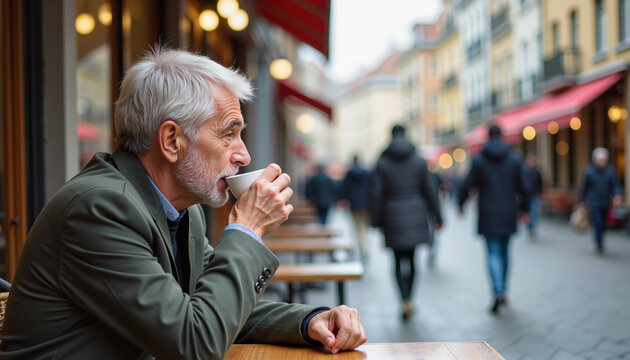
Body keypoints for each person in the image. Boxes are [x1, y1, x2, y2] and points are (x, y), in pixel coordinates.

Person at [0, 48, 365, 359]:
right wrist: (247, 230)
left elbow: (214, 306)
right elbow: (195, 344)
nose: (244, 154)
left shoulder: (182, 209)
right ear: (172, 140)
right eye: (229, 133)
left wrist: (308, 321)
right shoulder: (97, 209)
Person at [369, 124, 443, 321]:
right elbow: (430, 190)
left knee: (396, 261)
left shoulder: (383, 162)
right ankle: (410, 298)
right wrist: (438, 216)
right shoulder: (418, 160)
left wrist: (376, 221)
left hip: (391, 216)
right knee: (412, 260)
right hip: (416, 215)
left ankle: (402, 300)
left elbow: (376, 193)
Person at [457, 125, 529, 314]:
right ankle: (503, 289)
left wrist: (461, 204)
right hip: (508, 211)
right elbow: (524, 186)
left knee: (492, 253)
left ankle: (497, 290)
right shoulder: (514, 158)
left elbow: (468, 184)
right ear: (503, 136)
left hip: (488, 212)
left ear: (488, 137)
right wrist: (525, 209)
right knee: (505, 252)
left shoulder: (480, 159)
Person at [577, 147, 622, 254]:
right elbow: (584, 188)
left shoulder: (610, 172)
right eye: (600, 160)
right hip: (594, 202)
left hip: (606, 201)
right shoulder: (590, 172)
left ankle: (600, 239)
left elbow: (615, 185)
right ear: (595, 160)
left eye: (603, 159)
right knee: (598, 222)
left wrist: (617, 195)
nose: (602, 162)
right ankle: (599, 244)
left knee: (603, 224)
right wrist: (581, 201)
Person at [340, 155, 371, 262]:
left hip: (354, 205)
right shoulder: (367, 173)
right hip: (366, 205)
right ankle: (365, 248)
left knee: (356, 228)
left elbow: (345, 189)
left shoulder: (349, 173)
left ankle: (359, 247)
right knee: (364, 228)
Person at [523, 153, 544, 238]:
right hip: (526, 195)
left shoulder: (537, 171)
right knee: (528, 212)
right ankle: (529, 227)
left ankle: (532, 228)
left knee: (534, 212)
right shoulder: (524, 170)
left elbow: (540, 184)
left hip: (534, 194)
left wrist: (541, 194)